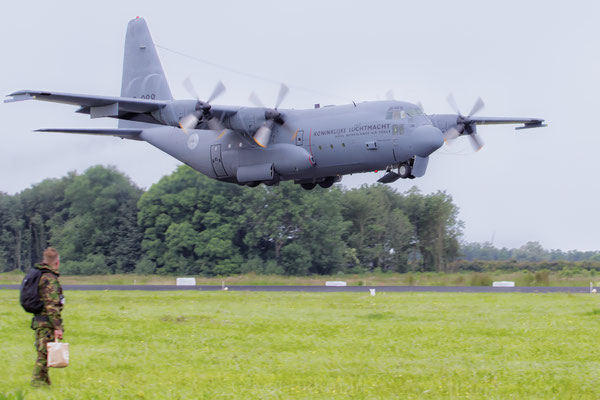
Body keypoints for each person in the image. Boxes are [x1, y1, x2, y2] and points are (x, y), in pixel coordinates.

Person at [31, 247, 64, 387]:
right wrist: (58, 327)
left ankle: (45, 383)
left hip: (39, 321)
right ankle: (37, 383)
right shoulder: (49, 279)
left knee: (44, 352)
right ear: (56, 263)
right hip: (46, 323)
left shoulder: (40, 275)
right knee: (43, 356)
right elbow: (52, 305)